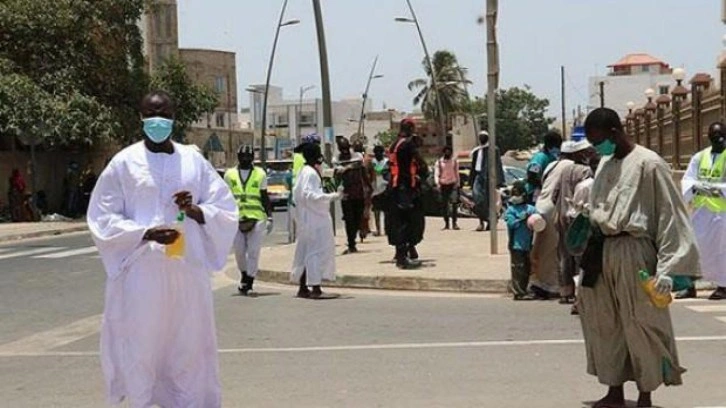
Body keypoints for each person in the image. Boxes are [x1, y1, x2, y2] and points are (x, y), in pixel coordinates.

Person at [87, 91, 238, 407]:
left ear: (173, 117)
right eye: (151, 114)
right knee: (143, 341)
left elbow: (225, 207)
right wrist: (146, 232)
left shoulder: (193, 160)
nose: (158, 121)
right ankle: (143, 400)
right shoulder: (124, 163)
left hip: (187, 269)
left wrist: (197, 210)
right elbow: (102, 216)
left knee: (188, 341)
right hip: (142, 272)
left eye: (164, 114)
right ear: (140, 118)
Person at [580, 107, 700, 408]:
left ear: (614, 132)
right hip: (603, 250)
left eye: (598, 141)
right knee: (606, 323)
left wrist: (668, 269)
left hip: (635, 252)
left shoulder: (649, 164)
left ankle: (646, 394)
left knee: (641, 323)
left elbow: (669, 217)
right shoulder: (605, 163)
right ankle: (614, 390)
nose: (597, 148)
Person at [680, 121, 726, 300]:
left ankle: (723, 285)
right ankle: (690, 286)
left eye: (721, 137)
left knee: (721, 250)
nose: (718, 141)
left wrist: (704, 188)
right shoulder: (699, 157)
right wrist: (708, 188)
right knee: (693, 248)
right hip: (701, 212)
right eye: (714, 137)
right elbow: (687, 181)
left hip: (721, 214)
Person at [291, 142, 342, 298]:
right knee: (316, 251)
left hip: (307, 218)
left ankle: (303, 287)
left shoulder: (304, 171)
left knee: (306, 251)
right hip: (315, 218)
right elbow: (310, 195)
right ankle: (315, 287)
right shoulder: (311, 174)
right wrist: (333, 196)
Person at [224, 145, 273, 296]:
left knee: (253, 251)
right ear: (238, 157)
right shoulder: (229, 174)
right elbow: (224, 198)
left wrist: (269, 216)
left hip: (257, 217)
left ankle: (250, 281)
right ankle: (244, 274)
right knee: (239, 252)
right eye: (242, 157)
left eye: (248, 157)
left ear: (252, 158)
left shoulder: (260, 174)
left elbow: (264, 196)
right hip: (236, 218)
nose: (245, 159)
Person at [529, 141, 572, 300]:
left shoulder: (552, 164)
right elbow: (532, 174)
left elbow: (539, 179)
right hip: (553, 208)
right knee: (554, 250)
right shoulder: (571, 166)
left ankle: (538, 282)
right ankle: (551, 285)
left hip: (540, 206)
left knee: (539, 248)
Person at [554, 140, 594, 304]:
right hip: (578, 216)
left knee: (564, 254)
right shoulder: (586, 171)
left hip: (562, 214)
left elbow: (555, 193)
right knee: (579, 255)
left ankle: (565, 291)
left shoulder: (565, 170)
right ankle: (579, 294)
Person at [386, 118, 424, 269]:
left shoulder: (394, 144)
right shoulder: (407, 144)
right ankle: (402, 257)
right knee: (406, 221)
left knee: (398, 220)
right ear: (410, 128)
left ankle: (400, 253)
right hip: (405, 186)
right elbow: (419, 161)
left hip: (395, 185)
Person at [335, 137, 370, 254]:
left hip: (358, 193)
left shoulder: (357, 156)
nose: (344, 151)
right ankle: (351, 243)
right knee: (349, 220)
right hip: (346, 194)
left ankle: (353, 238)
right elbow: (336, 174)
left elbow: (362, 170)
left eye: (346, 148)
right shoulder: (337, 159)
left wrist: (368, 186)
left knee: (358, 218)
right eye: (342, 149)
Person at [504, 180, 537, 300]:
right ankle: (518, 292)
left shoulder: (531, 209)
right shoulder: (511, 210)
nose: (515, 197)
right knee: (517, 268)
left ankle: (525, 290)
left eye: (517, 194)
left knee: (527, 268)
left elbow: (538, 222)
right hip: (516, 244)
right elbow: (511, 224)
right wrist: (522, 219)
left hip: (529, 244)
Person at [469, 131, 505, 231]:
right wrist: (471, 180)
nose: (481, 138)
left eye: (483, 137)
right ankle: (481, 221)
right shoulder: (476, 151)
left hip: (489, 178)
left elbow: (498, 165)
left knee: (489, 202)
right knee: (478, 200)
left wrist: (498, 181)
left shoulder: (494, 149)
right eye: (480, 137)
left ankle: (491, 221)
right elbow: (473, 166)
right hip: (478, 177)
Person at [525, 131, 562, 203]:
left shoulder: (552, 157)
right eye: (557, 146)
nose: (559, 148)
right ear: (550, 145)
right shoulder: (540, 158)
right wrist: (542, 186)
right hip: (534, 194)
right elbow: (532, 176)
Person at [434, 145, 460, 230]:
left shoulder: (454, 161)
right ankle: (446, 223)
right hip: (443, 184)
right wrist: (437, 183)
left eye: (449, 151)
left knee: (454, 204)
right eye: (446, 151)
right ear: (444, 152)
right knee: (444, 205)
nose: (448, 153)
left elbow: (457, 173)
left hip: (452, 184)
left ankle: (454, 223)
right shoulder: (439, 162)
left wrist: (457, 183)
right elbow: (436, 173)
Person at [354, 141, 374, 240]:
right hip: (365, 188)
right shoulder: (367, 160)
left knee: (358, 210)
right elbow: (372, 175)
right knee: (365, 210)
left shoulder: (351, 159)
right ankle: (364, 229)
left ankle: (361, 229)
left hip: (355, 189)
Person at [371, 145, 389, 237]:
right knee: (376, 211)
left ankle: (386, 229)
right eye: (376, 153)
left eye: (380, 152)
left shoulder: (386, 162)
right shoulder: (372, 162)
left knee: (386, 211)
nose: (378, 154)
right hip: (375, 189)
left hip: (385, 188)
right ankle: (378, 230)